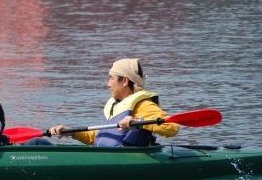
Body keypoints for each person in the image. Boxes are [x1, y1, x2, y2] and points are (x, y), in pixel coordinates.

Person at [25, 58, 178, 147]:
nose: (108, 84)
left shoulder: (143, 105)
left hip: (120, 160)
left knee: (37, 144)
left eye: (111, 78)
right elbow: (98, 137)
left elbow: (172, 128)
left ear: (124, 81)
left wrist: (138, 121)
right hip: (100, 155)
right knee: (37, 143)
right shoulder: (115, 104)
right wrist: (72, 132)